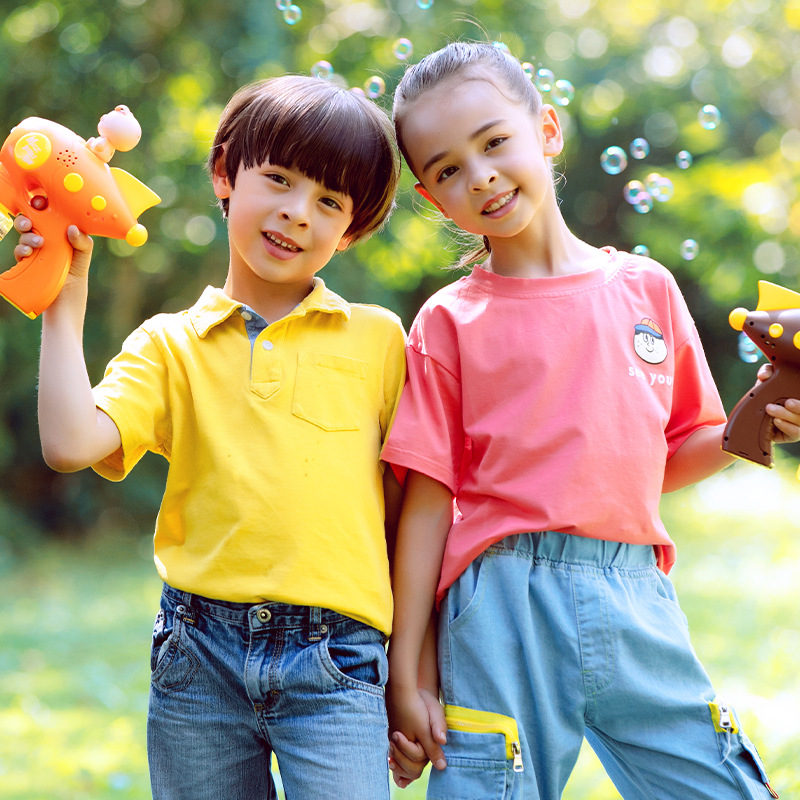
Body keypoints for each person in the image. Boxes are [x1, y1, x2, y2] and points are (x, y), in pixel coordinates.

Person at [381, 41, 800, 799]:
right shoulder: (449, 323)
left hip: (635, 592)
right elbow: (427, 503)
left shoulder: (647, 288)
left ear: (546, 128)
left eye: (494, 142)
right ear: (430, 199)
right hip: (501, 603)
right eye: (447, 170)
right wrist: (408, 667)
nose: (479, 176)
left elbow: (671, 453)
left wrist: (761, 415)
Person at [22, 75, 405, 800]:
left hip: (338, 659)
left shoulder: (380, 342)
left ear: (352, 229)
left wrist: (414, 667)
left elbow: (406, 508)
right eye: (280, 180)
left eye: (329, 201)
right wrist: (64, 299)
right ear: (226, 174)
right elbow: (71, 443)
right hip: (199, 655)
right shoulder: (169, 344)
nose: (297, 213)